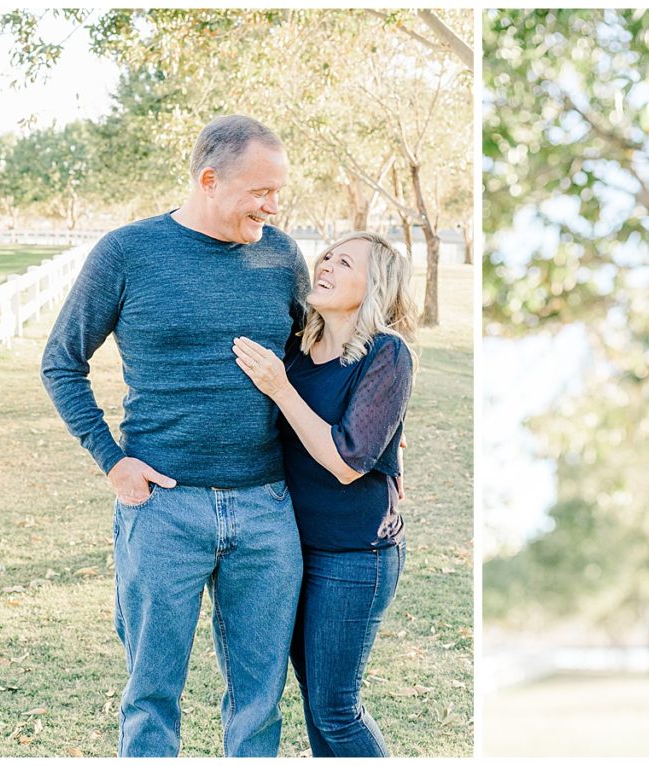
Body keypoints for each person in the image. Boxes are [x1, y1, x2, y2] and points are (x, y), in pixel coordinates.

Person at [40, 115, 310, 757]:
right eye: (261, 191)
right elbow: (60, 361)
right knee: (151, 693)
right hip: (162, 507)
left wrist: (372, 429)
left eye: (279, 192)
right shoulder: (127, 252)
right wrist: (113, 461)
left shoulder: (282, 257)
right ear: (209, 180)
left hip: (267, 508)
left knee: (259, 699)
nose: (274, 206)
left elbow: (317, 360)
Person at [232, 231, 416, 757]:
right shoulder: (295, 348)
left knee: (337, 710)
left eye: (345, 262)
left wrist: (279, 389)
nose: (326, 265)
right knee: (317, 703)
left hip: (354, 555)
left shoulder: (387, 354)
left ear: (375, 285)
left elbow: (345, 462)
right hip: (289, 549)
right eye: (327, 256)